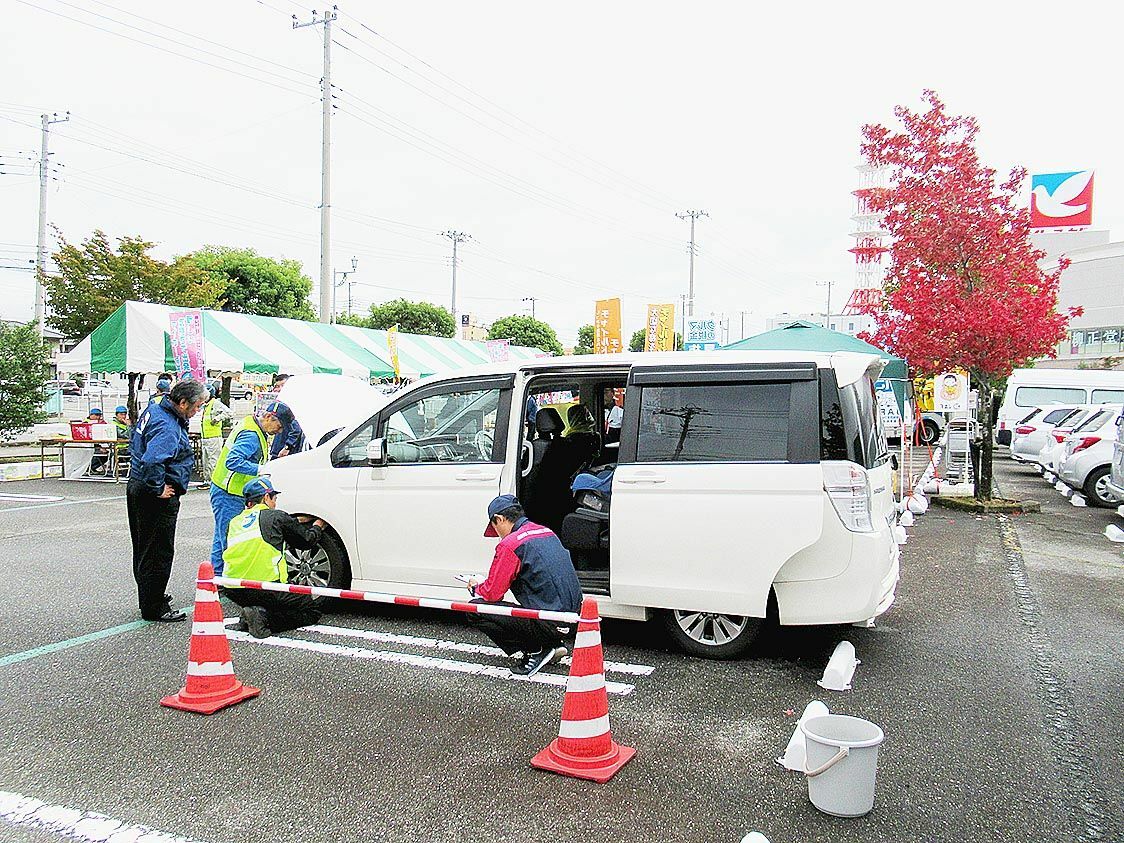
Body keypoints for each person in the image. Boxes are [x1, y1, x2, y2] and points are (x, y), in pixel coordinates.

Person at [466, 495, 582, 677]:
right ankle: (552, 643)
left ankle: (536, 650)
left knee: (475, 608)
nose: (497, 534)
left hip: (548, 621)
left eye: (494, 527)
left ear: (499, 519)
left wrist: (476, 587)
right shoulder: (546, 532)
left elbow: (492, 595)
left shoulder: (511, 544)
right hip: (573, 620)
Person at [126, 379, 209, 622]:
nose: (197, 411)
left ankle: (149, 597)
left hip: (137, 484)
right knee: (158, 552)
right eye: (196, 406)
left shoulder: (155, 408)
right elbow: (153, 459)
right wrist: (157, 487)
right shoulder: (168, 426)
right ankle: (153, 607)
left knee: (144, 548)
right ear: (182, 403)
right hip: (154, 492)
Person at [219, 477, 325, 639]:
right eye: (274, 498)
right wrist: (318, 525)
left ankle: (251, 613)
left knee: (268, 600)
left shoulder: (234, 522)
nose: (275, 503)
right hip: (265, 586)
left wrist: (292, 521)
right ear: (266, 497)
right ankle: (264, 619)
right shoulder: (277, 517)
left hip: (233, 589)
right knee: (311, 609)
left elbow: (264, 532)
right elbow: (306, 541)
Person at [209, 403, 287, 575]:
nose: (279, 431)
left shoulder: (252, 425)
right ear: (268, 417)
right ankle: (227, 579)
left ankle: (217, 577)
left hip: (225, 490)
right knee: (228, 538)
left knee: (222, 536)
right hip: (228, 492)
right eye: (279, 426)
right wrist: (260, 470)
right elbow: (233, 461)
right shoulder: (251, 435)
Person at [198, 383, 232, 479]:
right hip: (205, 437)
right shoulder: (205, 405)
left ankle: (214, 480)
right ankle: (207, 480)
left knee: (213, 461)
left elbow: (229, 412)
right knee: (206, 461)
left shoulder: (215, 403)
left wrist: (217, 419)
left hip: (214, 437)